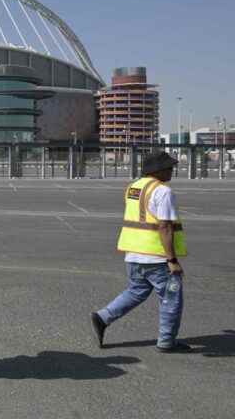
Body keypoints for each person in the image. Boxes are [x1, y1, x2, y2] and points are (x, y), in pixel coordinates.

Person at [91, 151, 189, 353]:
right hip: (157, 257)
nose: (172, 170)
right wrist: (172, 260)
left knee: (136, 291)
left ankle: (103, 317)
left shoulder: (133, 187)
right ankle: (166, 341)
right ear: (157, 170)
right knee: (171, 298)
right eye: (169, 167)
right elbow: (165, 227)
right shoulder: (163, 191)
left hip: (134, 253)